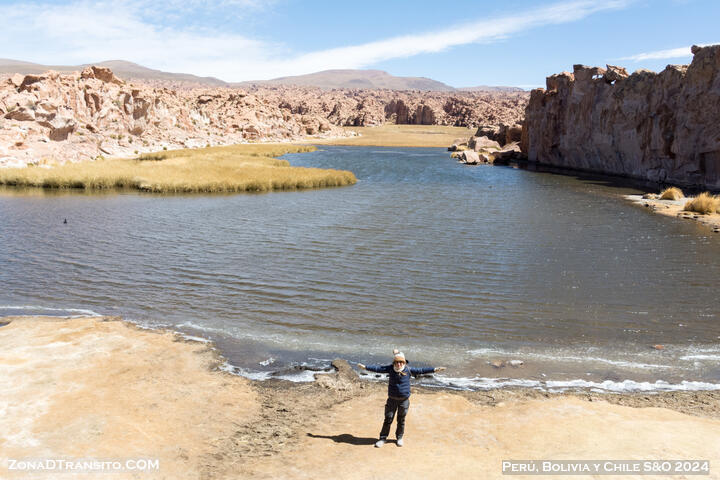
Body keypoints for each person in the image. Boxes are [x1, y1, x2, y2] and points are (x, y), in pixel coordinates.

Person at [357, 349, 446, 448]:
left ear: (404, 362)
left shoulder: (408, 370)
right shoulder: (390, 369)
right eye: (397, 362)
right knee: (388, 419)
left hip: (404, 401)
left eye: (401, 362)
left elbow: (421, 370)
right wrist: (365, 367)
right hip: (392, 400)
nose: (399, 364)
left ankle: (399, 438)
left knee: (401, 419)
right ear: (394, 362)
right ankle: (382, 438)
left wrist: (434, 369)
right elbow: (378, 368)